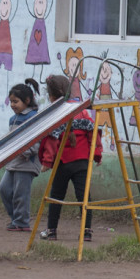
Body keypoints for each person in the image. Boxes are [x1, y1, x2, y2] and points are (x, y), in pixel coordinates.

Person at [38, 75, 102, 241]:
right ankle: (86, 231)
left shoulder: (55, 113)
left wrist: (47, 162)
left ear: (51, 96)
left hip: (62, 160)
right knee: (84, 196)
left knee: (56, 196)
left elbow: (52, 140)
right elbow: (93, 133)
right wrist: (96, 154)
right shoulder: (81, 109)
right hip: (81, 160)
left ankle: (52, 230)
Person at [1, 79, 42, 232]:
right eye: (11, 101)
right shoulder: (13, 119)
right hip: (13, 161)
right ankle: (16, 219)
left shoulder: (33, 117)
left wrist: (27, 152)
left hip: (26, 161)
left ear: (27, 100)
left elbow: (37, 139)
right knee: (4, 189)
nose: (12, 105)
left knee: (20, 193)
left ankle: (22, 222)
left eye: (15, 101)